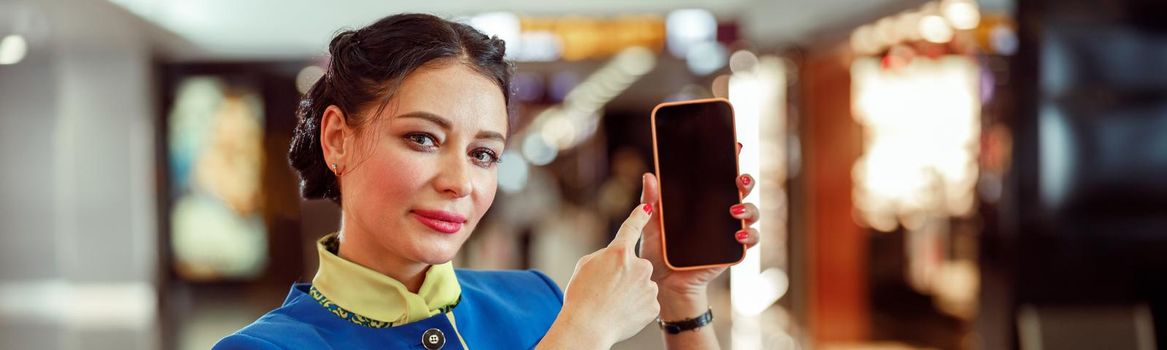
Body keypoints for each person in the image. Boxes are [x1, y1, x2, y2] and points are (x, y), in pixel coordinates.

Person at [213, 13, 761, 350]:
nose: (459, 182)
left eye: (483, 153)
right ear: (338, 139)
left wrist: (682, 298)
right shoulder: (268, 347)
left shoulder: (539, 301)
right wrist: (579, 338)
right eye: (423, 139)